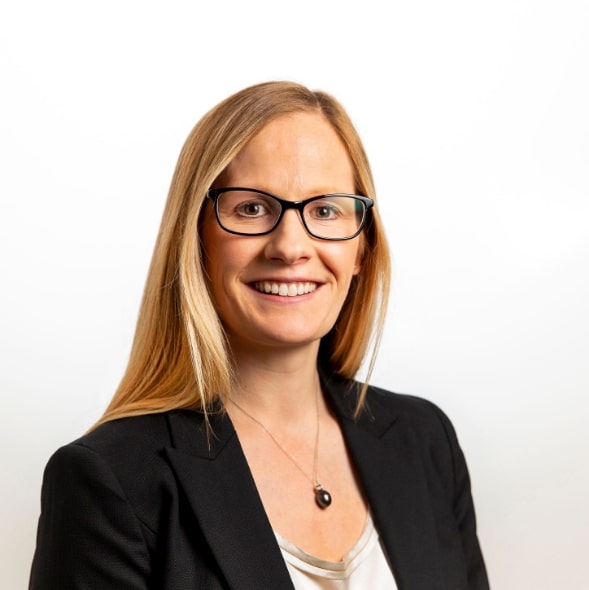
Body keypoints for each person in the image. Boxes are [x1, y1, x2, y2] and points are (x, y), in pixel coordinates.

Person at [29, 81, 490, 589]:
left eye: (325, 210)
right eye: (251, 208)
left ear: (361, 249)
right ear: (197, 239)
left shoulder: (426, 442)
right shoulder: (108, 481)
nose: (291, 246)